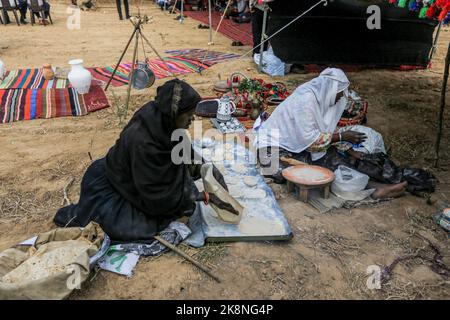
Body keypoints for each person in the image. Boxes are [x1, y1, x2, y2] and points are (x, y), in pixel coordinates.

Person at [54, 80, 232, 243]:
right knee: (140, 227)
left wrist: (207, 168)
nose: (191, 121)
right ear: (173, 114)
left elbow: (183, 151)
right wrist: (201, 196)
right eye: (188, 116)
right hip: (118, 186)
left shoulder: (162, 118)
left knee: (183, 182)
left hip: (140, 177)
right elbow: (155, 192)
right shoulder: (143, 141)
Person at [255, 68, 436, 199]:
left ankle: (377, 186)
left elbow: (322, 135)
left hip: (302, 146)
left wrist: (346, 148)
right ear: (330, 89)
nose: (341, 97)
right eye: (340, 93)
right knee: (286, 171)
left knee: (335, 160)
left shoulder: (323, 99)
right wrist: (342, 137)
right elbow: (313, 142)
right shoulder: (306, 100)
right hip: (271, 147)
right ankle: (374, 189)